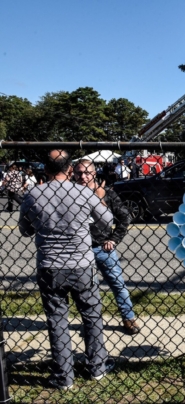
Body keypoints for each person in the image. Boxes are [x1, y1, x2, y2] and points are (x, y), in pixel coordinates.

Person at [18, 150, 114, 390]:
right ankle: (97, 367)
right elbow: (107, 221)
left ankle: (64, 376)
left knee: (57, 319)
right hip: (82, 264)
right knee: (91, 315)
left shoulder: (33, 194)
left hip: (50, 265)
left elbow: (25, 230)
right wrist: (97, 200)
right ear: (70, 169)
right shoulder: (82, 192)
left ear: (45, 169)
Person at [74, 160, 140, 335]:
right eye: (79, 173)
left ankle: (128, 318)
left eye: (87, 173)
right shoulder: (70, 194)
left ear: (94, 174)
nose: (83, 176)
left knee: (118, 285)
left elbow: (125, 217)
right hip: (79, 250)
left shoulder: (107, 194)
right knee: (86, 289)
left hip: (102, 248)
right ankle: (92, 324)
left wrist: (114, 239)